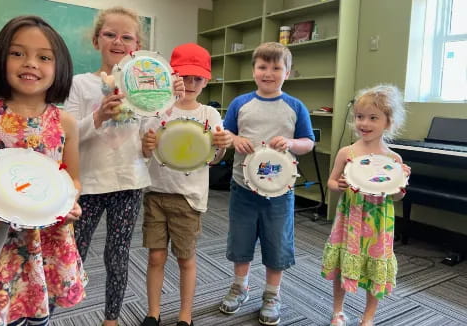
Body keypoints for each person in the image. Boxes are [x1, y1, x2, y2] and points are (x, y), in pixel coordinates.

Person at [0, 15, 86, 325]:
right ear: (1, 58)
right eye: (17, 53)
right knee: (0, 316)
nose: (30, 63)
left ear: (59, 65)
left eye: (44, 57)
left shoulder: (66, 123)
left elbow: (74, 178)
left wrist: (71, 200)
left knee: (40, 315)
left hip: (47, 242)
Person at [63, 7, 184, 326]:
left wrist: (169, 102)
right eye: (110, 34)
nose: (118, 41)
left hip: (129, 183)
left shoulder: (147, 88)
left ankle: (112, 319)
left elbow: (148, 134)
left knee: (118, 256)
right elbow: (67, 136)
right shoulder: (80, 84)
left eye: (126, 36)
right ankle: (54, 308)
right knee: (74, 252)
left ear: (136, 46)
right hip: (86, 185)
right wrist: (99, 116)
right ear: (96, 40)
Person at [219, 42, 315, 326]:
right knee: (241, 240)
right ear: (253, 70)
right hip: (243, 188)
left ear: (288, 72)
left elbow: (308, 143)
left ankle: (272, 294)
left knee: (278, 243)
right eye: (263, 67)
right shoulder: (240, 103)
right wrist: (235, 140)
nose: (269, 73)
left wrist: (292, 143)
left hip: (280, 192)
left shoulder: (295, 107)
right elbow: (226, 134)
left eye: (276, 67)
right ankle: (240, 286)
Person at [139, 43, 232, 326]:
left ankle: (185, 315)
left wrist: (223, 146)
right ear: (171, 76)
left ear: (206, 81)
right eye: (184, 77)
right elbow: (145, 150)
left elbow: (214, 159)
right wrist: (147, 142)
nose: (190, 83)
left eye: (197, 78)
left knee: (185, 258)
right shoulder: (158, 109)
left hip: (188, 199)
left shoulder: (209, 115)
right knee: (156, 257)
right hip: (156, 193)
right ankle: (152, 312)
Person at [321, 85, 410, 326]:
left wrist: (400, 188)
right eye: (360, 117)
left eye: (373, 118)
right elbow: (331, 181)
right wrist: (336, 185)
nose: (365, 123)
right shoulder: (347, 152)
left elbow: (396, 197)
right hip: (350, 218)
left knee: (376, 269)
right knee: (342, 264)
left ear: (388, 122)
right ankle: (337, 311)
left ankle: (368, 317)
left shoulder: (393, 160)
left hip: (378, 222)